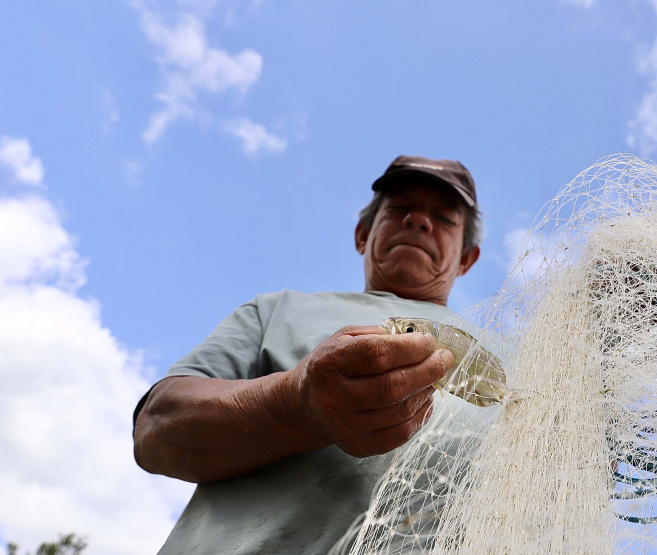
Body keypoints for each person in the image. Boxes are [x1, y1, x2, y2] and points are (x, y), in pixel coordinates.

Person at [132, 155, 483, 554]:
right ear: (362, 234)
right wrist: (295, 403)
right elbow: (155, 428)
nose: (418, 221)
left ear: (467, 258)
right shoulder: (275, 309)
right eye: (399, 208)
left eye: (445, 217)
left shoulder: (524, 357)